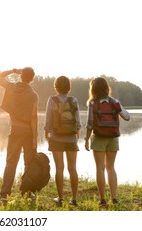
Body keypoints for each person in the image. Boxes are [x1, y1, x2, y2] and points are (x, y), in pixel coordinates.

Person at [84, 77, 130, 207]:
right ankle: (114, 198)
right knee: (111, 167)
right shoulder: (115, 101)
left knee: (100, 168)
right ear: (106, 87)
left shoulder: (93, 103)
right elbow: (127, 117)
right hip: (113, 138)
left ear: (93, 89)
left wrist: (87, 139)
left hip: (98, 137)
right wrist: (118, 108)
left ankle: (103, 199)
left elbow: (90, 123)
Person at [0, 67, 39, 203]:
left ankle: (4, 194)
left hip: (15, 130)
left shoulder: (12, 87)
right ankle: (27, 192)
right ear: (32, 79)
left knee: (11, 163)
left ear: (21, 76)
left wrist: (14, 70)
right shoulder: (33, 95)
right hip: (28, 131)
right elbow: (34, 117)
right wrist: (35, 137)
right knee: (29, 163)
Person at [44, 76, 81, 206]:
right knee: (73, 169)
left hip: (56, 138)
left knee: (59, 168)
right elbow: (78, 121)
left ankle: (60, 198)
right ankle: (74, 198)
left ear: (56, 86)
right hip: (71, 138)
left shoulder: (52, 100)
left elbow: (48, 119)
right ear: (69, 86)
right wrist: (77, 134)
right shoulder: (74, 100)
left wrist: (46, 132)